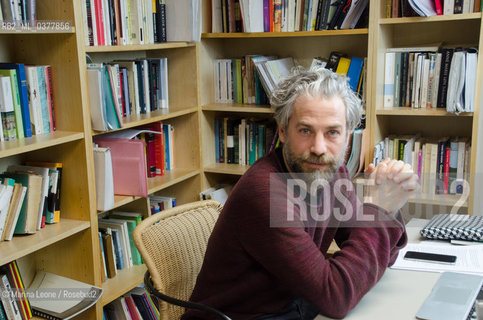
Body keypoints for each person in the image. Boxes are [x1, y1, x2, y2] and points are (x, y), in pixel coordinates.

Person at [182, 67, 419, 320]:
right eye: (305, 131)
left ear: (348, 136)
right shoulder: (265, 194)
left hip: (291, 307)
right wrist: (379, 209)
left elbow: (381, 256)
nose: (318, 148)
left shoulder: (331, 172)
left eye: (332, 132)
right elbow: (335, 297)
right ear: (282, 131)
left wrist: (389, 201)